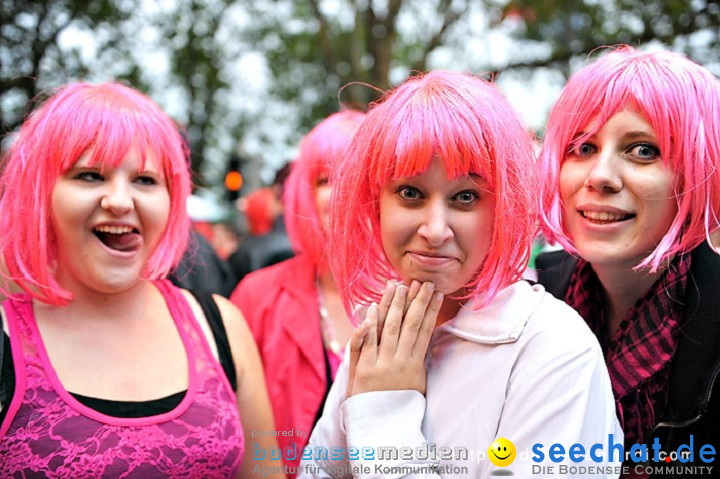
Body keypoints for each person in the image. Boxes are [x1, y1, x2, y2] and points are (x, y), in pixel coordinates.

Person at [299, 71, 621, 478]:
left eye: (465, 197)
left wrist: (384, 414)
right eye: (410, 194)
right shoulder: (382, 329)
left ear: (504, 207)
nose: (435, 230)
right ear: (376, 203)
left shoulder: (553, 348)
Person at [0, 82, 284, 478]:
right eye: (90, 175)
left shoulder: (222, 325)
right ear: (41, 194)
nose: (119, 200)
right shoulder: (6, 339)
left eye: (146, 180)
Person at [536, 45, 720, 468]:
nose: (600, 176)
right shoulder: (533, 302)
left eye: (642, 150)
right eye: (582, 147)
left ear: (698, 172)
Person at [231, 111, 365, 476]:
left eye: (362, 176)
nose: (345, 192)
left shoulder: (424, 299)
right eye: (327, 179)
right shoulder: (257, 296)